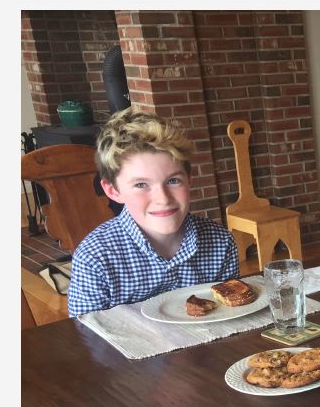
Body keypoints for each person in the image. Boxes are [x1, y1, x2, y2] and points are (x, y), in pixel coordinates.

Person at [67, 109, 239, 317]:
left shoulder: (221, 242)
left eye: (173, 181)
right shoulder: (95, 257)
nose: (163, 199)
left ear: (189, 179)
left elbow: (231, 315)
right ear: (113, 191)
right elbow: (87, 336)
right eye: (141, 184)